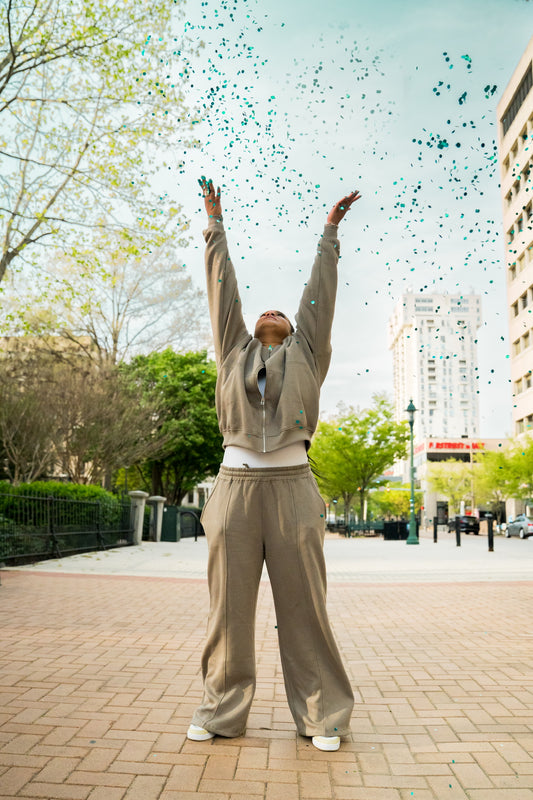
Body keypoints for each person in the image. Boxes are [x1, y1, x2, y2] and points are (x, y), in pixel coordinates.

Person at [188, 177, 361, 752]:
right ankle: (221, 712)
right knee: (229, 611)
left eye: (281, 313)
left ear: (293, 330)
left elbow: (320, 296)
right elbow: (223, 292)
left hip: (293, 489)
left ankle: (323, 717)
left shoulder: (308, 350)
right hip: (234, 489)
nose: (269, 312)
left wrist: (329, 235)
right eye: (262, 311)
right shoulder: (233, 349)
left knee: (304, 609)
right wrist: (214, 226)